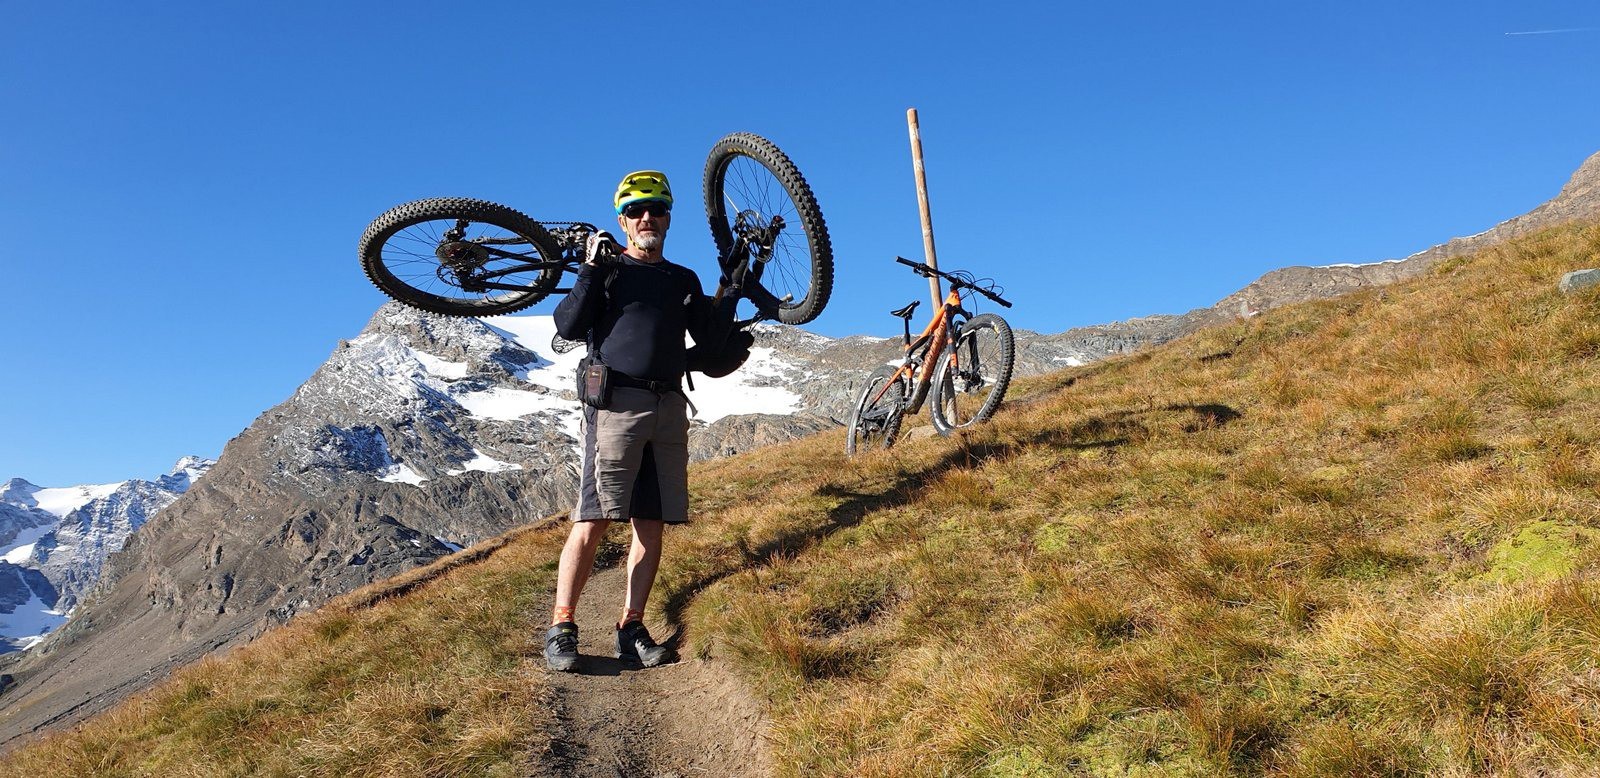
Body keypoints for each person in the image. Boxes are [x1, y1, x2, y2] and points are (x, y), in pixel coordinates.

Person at [544, 170, 717, 672]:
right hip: (615, 405)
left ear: (668, 217)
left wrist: (732, 290)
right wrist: (590, 271)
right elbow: (569, 325)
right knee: (593, 517)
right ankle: (562, 625)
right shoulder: (608, 269)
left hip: (667, 409)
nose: (648, 218)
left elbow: (708, 344)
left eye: (657, 209)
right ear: (622, 221)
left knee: (651, 520)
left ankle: (631, 626)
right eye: (638, 211)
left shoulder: (683, 279)